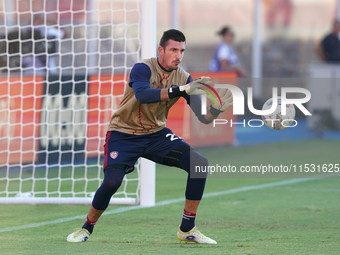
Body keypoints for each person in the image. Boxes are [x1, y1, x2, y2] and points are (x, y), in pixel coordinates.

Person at [67, 29, 233, 244]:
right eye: (173, 50)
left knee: (199, 164)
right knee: (112, 182)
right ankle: (86, 228)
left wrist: (217, 110)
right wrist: (182, 89)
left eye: (182, 50)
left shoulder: (184, 78)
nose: (178, 55)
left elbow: (204, 118)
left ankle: (187, 229)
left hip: (156, 135)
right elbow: (144, 95)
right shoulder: (142, 68)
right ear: (161, 50)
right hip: (123, 134)